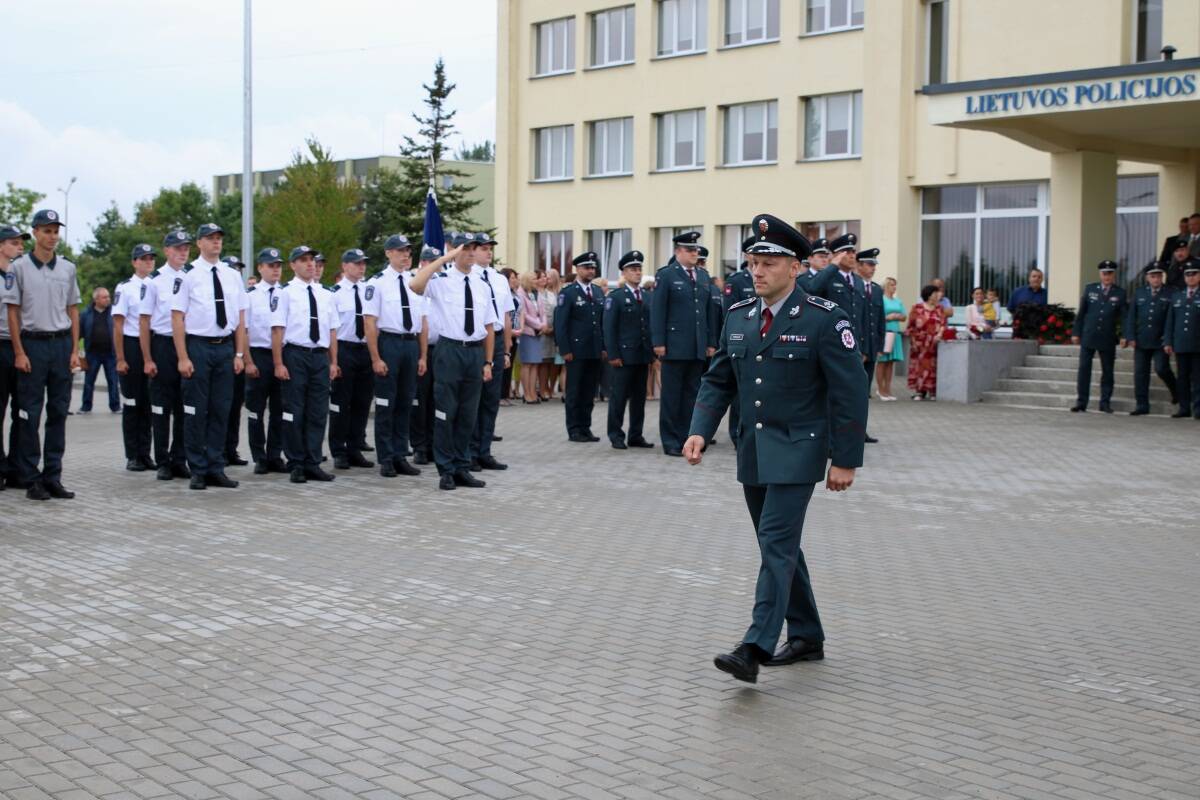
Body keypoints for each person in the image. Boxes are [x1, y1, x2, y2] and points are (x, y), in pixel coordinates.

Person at [683, 213, 867, 684]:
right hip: (754, 450)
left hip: (800, 449)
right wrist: (700, 428)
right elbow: (719, 379)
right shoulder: (739, 316)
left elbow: (850, 393)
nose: (757, 271)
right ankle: (807, 636)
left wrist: (845, 459)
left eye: (768, 263)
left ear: (795, 268)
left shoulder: (824, 319)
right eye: (752, 262)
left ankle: (754, 646)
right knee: (778, 546)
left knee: (776, 543)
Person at [1, 209, 81, 500]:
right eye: (47, 231)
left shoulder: (67, 268)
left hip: (60, 345)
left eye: (56, 231)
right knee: (29, 414)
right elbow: (13, 311)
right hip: (32, 345)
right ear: (35, 232)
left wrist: (74, 350)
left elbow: (73, 309)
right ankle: (30, 477)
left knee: (58, 412)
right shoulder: (19, 268)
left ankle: (53, 476)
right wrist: (19, 352)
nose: (52, 236)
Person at [409, 235, 495, 490]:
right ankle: (446, 469)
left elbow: (489, 326)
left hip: (474, 352)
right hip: (449, 351)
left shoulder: (482, 285)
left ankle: (462, 466)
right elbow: (415, 284)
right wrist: (444, 259)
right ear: (455, 251)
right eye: (465, 248)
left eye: (474, 248)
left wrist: (488, 361)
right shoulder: (441, 280)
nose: (470, 253)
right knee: (446, 412)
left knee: (468, 414)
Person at [171, 222, 248, 490]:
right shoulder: (187, 275)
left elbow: (240, 317)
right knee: (196, 409)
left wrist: (239, 353)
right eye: (210, 238)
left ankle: (216, 466)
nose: (216, 242)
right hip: (199, 346)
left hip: (225, 347)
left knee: (221, 409)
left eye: (219, 238)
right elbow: (177, 318)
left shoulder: (232, 275)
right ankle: (198, 469)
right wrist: (183, 357)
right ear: (199, 243)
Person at [272, 245, 339, 483]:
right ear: (293, 265)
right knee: (294, 410)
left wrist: (333, 361)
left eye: (312, 259)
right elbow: (277, 329)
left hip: (319, 356)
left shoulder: (326, 294)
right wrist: (278, 363)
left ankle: (313, 461)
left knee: (318, 411)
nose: (310, 264)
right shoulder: (285, 293)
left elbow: (332, 330)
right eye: (303, 260)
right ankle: (296, 462)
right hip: (295, 354)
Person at [364, 234, 426, 478]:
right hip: (389, 343)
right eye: (400, 251)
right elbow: (370, 322)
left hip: (410, 344)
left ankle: (400, 454)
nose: (405, 255)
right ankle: (386, 457)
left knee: (405, 402)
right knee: (386, 404)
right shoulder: (377, 283)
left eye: (408, 251)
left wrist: (422, 355)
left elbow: (422, 321)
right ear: (388, 253)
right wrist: (375, 358)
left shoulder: (414, 281)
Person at [651, 231, 718, 456]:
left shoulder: (703, 276)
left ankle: (686, 438)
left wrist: (710, 341)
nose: (694, 253)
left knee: (692, 395)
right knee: (671, 397)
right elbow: (658, 310)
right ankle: (670, 440)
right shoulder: (666, 275)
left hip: (697, 345)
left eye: (695, 250)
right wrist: (658, 341)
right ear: (678, 251)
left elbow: (708, 312)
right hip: (674, 345)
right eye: (689, 250)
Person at [140, 229, 192, 481]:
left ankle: (179, 458)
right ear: (167, 251)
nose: (183, 252)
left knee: (184, 405)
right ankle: (162, 460)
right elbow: (144, 322)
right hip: (162, 344)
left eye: (186, 248)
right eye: (178, 248)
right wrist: (148, 358)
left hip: (188, 344)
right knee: (161, 406)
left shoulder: (192, 277)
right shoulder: (154, 281)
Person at [325, 248, 376, 471]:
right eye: (356, 263)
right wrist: (333, 361)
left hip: (365, 349)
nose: (361, 267)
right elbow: (332, 329)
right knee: (340, 403)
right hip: (344, 349)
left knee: (362, 402)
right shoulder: (334, 293)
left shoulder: (369, 290)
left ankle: (355, 448)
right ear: (345, 266)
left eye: (363, 263)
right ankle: (338, 450)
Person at [469, 233, 513, 471]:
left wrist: (506, 350)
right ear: (472, 251)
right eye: (483, 248)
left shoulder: (498, 278)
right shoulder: (469, 277)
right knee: (474, 399)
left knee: (491, 400)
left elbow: (506, 316)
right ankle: (470, 452)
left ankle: (484, 451)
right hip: (477, 341)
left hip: (496, 340)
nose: (488, 252)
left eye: (490, 248)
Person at [603, 250, 655, 450]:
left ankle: (636, 435)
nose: (637, 272)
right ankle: (616, 434)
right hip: (623, 356)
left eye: (639, 269)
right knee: (619, 398)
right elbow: (609, 328)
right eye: (633, 269)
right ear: (624, 273)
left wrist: (651, 352)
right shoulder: (616, 297)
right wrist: (613, 354)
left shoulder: (647, 296)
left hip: (642, 355)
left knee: (639, 399)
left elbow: (649, 326)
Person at [112, 243, 157, 470]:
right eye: (143, 258)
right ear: (134, 262)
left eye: (151, 258)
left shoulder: (156, 285)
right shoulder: (126, 288)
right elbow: (118, 325)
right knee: (132, 402)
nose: (148, 262)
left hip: (152, 344)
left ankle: (145, 453)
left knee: (148, 403)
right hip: (131, 346)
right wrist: (120, 358)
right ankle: (132, 454)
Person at [243, 248, 288, 475]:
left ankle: (275, 455)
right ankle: (259, 456)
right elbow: (244, 331)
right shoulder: (250, 296)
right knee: (256, 410)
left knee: (280, 410)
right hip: (258, 355)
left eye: (278, 265)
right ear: (260, 268)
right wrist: (248, 361)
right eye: (271, 266)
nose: (275, 270)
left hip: (282, 356)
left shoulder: (286, 294)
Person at [555, 251, 605, 442]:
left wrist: (604, 347)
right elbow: (561, 324)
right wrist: (565, 349)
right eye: (586, 268)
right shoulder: (568, 293)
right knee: (574, 391)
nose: (590, 271)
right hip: (576, 350)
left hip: (594, 349)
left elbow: (602, 322)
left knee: (589, 391)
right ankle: (574, 429)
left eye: (593, 268)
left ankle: (585, 427)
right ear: (577, 269)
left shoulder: (598, 291)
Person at [1070, 260, 1127, 414]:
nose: (1107, 276)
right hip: (1089, 335)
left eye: (1110, 273)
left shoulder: (1120, 293)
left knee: (1107, 371)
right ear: (1100, 274)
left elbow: (1124, 317)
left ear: (1114, 275)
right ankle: (1081, 402)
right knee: (1084, 369)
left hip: (1107, 337)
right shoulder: (1090, 289)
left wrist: (1124, 335)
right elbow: (1082, 313)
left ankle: (1105, 402)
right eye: (1104, 273)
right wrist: (1076, 332)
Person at [1124, 261, 1178, 416]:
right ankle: (1142, 405)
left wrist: (1168, 339)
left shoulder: (1170, 293)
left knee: (1162, 369)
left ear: (1162, 277)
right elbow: (1131, 316)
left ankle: (1177, 391)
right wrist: (1130, 336)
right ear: (1147, 278)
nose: (1156, 279)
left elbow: (1173, 318)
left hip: (1160, 340)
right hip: (1142, 339)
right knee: (1140, 373)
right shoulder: (1139, 292)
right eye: (1153, 276)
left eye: (1159, 276)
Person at [0, 224, 31, 490]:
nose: (20, 247)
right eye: (14, 242)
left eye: (21, 243)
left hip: (21, 345)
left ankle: (16, 467)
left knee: (22, 410)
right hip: (0, 344)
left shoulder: (20, 274)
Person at [409, 245, 441, 465]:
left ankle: (433, 443)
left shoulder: (443, 283)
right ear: (422, 263)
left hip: (442, 348)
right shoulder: (414, 284)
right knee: (420, 400)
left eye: (437, 262)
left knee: (436, 400)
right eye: (430, 262)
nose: (435, 266)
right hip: (422, 349)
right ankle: (419, 445)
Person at [220, 255, 249, 467]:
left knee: (236, 404)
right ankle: (218, 449)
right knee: (220, 404)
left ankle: (231, 449)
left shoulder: (241, 294)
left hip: (235, 348)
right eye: (233, 268)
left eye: (239, 269)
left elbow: (244, 328)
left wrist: (242, 356)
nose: (236, 272)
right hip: (220, 344)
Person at [1164, 261, 1200, 419]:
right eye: (1188, 274)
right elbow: (1170, 321)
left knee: (1198, 378)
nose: (1191, 277)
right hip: (1181, 343)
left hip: (1197, 344)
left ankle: (1198, 409)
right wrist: (1168, 341)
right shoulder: (1177, 296)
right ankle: (1184, 408)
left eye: (1194, 274)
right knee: (1182, 378)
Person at [856, 248, 885, 444]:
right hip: (858, 348)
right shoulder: (854, 286)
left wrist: (879, 345)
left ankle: (862, 429)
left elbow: (880, 319)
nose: (873, 268)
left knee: (864, 392)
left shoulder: (876, 289)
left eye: (874, 265)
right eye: (869, 264)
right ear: (859, 265)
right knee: (854, 391)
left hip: (872, 347)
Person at [78, 287, 119, 414]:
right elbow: (79, 332)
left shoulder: (114, 312)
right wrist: (76, 351)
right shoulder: (86, 314)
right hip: (92, 353)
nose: (108, 299)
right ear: (96, 299)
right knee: (89, 381)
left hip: (110, 353)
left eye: (108, 297)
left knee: (113, 381)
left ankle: (115, 406)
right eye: (104, 297)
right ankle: (86, 407)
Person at [905, 285, 946, 400]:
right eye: (935, 293)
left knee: (933, 367)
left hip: (934, 343)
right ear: (929, 295)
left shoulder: (940, 308)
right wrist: (913, 341)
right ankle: (919, 391)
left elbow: (943, 324)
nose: (937, 296)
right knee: (920, 367)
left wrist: (940, 334)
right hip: (920, 343)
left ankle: (933, 391)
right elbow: (911, 326)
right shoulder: (917, 308)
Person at [516, 270, 547, 403]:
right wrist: (539, 325)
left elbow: (543, 312)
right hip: (527, 332)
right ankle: (527, 393)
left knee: (535, 363)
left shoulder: (536, 293)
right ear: (527, 280)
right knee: (527, 363)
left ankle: (533, 392)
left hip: (538, 332)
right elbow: (524, 314)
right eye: (534, 279)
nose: (536, 281)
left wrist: (544, 324)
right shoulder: (520, 293)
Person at [876, 277, 905, 400]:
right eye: (892, 285)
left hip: (895, 333)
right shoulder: (881, 299)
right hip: (885, 332)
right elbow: (877, 316)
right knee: (882, 361)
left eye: (895, 285)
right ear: (886, 286)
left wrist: (898, 316)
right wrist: (888, 317)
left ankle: (888, 389)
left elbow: (904, 316)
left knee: (890, 362)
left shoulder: (898, 301)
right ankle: (880, 390)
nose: (894, 287)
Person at [500, 267, 521, 404]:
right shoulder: (502, 293)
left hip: (514, 332)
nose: (515, 280)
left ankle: (506, 394)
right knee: (503, 365)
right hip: (505, 332)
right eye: (512, 278)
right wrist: (509, 333)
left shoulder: (514, 294)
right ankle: (501, 396)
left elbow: (519, 313)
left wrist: (519, 329)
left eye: (515, 277)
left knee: (510, 364)